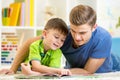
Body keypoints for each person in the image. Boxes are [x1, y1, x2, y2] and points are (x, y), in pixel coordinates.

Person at [1, 4, 113, 75]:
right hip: (71, 71)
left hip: (103, 71)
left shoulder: (103, 38)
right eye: (74, 31)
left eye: (82, 33)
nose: (77, 37)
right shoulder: (64, 34)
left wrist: (43, 73)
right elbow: (30, 43)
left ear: (94, 27)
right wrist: (13, 69)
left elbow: (88, 71)